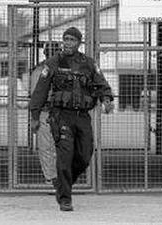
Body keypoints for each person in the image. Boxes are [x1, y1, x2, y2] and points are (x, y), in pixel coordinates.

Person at [30, 27, 114, 211]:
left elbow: (101, 84)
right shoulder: (53, 63)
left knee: (85, 155)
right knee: (65, 157)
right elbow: (40, 91)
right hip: (62, 116)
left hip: (82, 117)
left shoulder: (89, 63)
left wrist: (106, 99)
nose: (68, 42)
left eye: (72, 40)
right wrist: (35, 116)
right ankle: (65, 198)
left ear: (79, 43)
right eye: (65, 39)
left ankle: (62, 184)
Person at [29, 41, 62, 185]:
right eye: (50, 52)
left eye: (55, 52)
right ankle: (51, 178)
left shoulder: (66, 69)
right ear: (45, 53)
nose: (53, 55)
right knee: (46, 147)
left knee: (63, 146)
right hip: (46, 112)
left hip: (64, 113)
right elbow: (35, 95)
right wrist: (34, 117)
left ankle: (61, 176)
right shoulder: (39, 71)